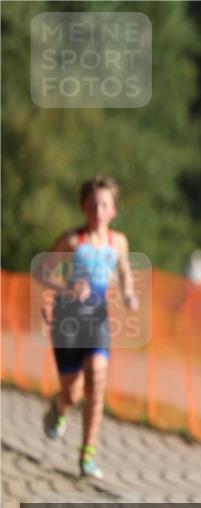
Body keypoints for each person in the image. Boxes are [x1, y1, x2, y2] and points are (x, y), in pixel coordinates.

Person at [34, 174, 140, 478]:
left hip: (97, 319)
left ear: (114, 210)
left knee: (97, 374)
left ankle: (87, 454)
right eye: (93, 204)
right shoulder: (71, 240)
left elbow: (124, 272)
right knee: (73, 394)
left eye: (104, 204)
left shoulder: (117, 242)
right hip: (67, 320)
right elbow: (41, 270)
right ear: (83, 207)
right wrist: (65, 290)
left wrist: (129, 293)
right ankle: (58, 407)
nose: (98, 210)